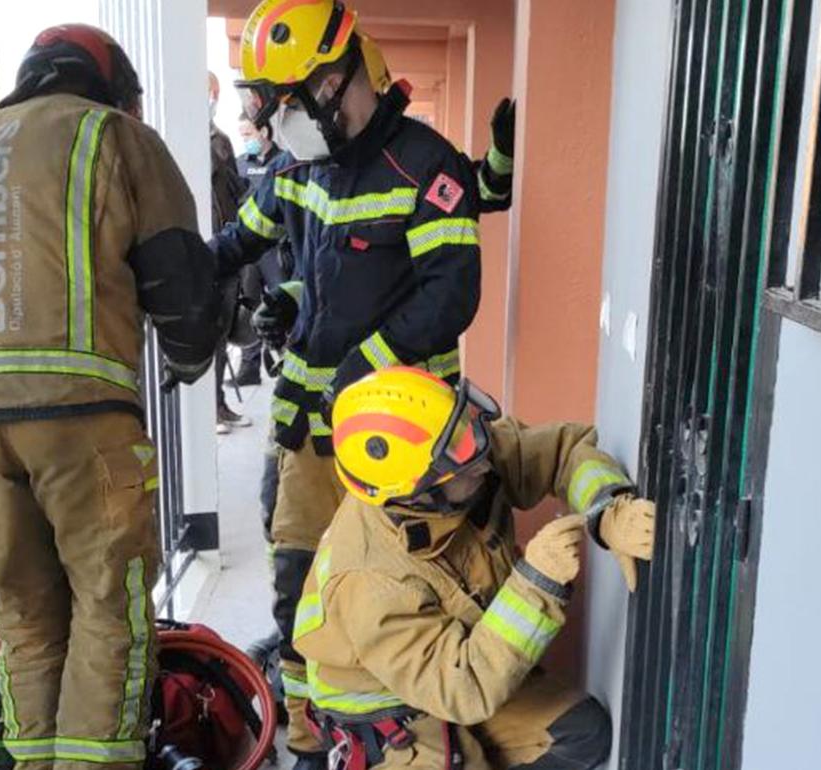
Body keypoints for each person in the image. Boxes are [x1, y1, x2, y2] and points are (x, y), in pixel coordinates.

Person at [0, 24, 220, 770]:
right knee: (107, 608)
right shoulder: (116, 134)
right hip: (80, 418)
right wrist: (191, 357)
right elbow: (179, 283)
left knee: (26, 616)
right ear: (115, 86)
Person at [212, 1, 485, 765]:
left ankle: (411, 744)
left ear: (336, 83)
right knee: (301, 590)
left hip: (406, 449)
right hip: (312, 434)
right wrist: (175, 267)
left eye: (286, 102)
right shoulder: (303, 168)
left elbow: (450, 291)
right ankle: (307, 743)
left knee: (399, 598)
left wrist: (367, 363)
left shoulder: (429, 166)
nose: (275, 124)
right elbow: (248, 241)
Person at [292, 367, 657, 770]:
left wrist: (606, 508)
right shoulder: (370, 581)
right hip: (393, 712)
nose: (483, 462)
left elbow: (563, 450)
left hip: (456, 661)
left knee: (582, 733)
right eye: (464, 465)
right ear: (420, 496)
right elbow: (462, 689)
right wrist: (537, 584)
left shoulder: (456, 449)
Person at [209, 73, 254, 434]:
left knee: (223, 332)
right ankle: (207, 409)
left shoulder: (219, 140)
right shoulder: (181, 135)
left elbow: (236, 189)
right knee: (205, 336)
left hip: (228, 252)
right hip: (205, 250)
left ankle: (218, 405)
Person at [231, 113, 290, 387]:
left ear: (264, 132)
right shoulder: (240, 164)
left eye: (248, 134)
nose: (245, 140)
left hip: (277, 248)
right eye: (242, 135)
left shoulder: (284, 163)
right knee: (250, 304)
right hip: (251, 248)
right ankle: (249, 368)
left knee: (283, 301)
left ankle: (287, 360)